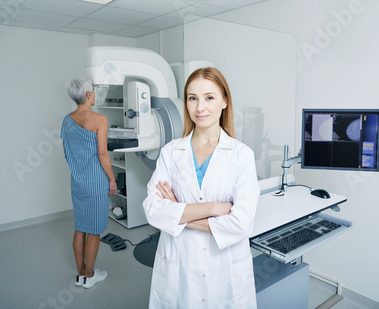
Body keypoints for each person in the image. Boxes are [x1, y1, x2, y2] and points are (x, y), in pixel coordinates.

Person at [143, 67, 260, 308]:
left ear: (225, 101)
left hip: (224, 266)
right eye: (192, 98)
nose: (200, 108)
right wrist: (213, 208)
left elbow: (241, 223)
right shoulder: (171, 152)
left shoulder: (241, 155)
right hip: (180, 261)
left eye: (209, 98)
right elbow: (153, 210)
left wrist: (177, 211)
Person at [61, 77, 117, 288]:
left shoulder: (66, 120)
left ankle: (80, 274)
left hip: (77, 182)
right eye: (93, 91)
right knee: (93, 231)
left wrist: (79, 171)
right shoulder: (99, 119)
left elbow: (67, 153)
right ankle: (90, 276)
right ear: (88, 95)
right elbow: (103, 154)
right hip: (96, 183)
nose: (94, 94)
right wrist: (112, 179)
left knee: (80, 228)